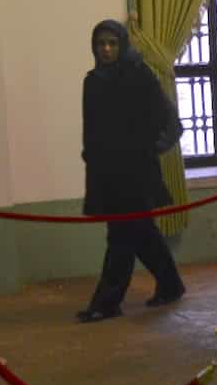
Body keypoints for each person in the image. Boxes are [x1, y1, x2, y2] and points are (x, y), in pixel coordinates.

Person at [78, 19, 185, 321]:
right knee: (141, 234)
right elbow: (92, 130)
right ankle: (171, 283)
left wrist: (154, 147)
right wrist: (93, 163)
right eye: (101, 44)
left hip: (136, 173)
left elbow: (169, 119)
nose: (107, 49)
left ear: (122, 44)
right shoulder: (93, 81)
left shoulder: (139, 75)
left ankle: (106, 303)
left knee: (121, 237)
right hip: (107, 174)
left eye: (112, 43)